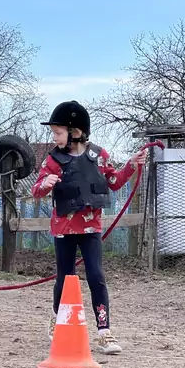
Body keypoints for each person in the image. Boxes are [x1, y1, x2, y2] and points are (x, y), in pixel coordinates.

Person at [31, 100, 147, 355]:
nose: (54, 137)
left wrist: (132, 164)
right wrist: (47, 183)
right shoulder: (52, 161)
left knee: (96, 276)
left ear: (75, 132)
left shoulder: (99, 155)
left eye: (58, 132)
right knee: (65, 277)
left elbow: (114, 181)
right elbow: (36, 191)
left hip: (91, 228)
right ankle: (56, 316)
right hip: (63, 229)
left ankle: (104, 331)